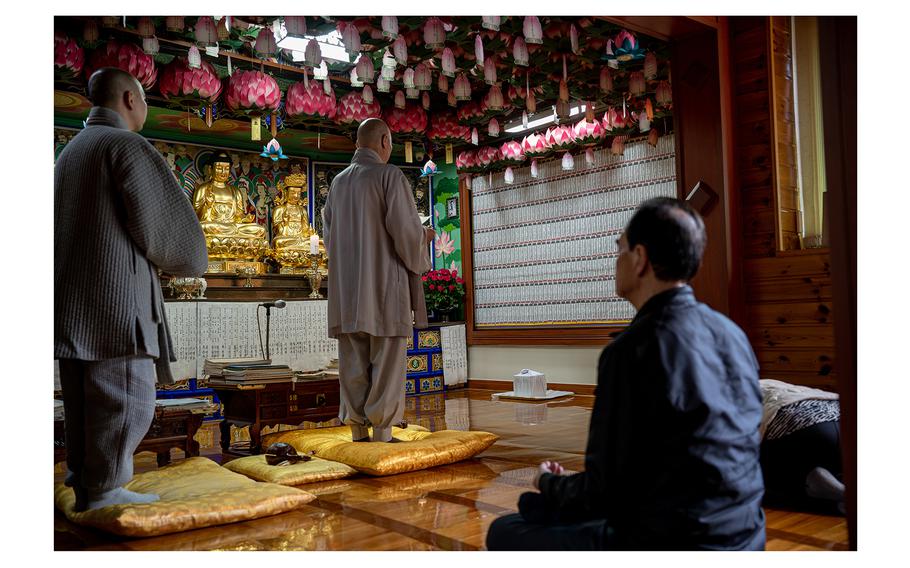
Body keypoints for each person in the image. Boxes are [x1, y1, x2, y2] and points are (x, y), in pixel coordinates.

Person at [486, 197, 766, 550]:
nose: (615, 260)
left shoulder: (633, 350)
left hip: (674, 541)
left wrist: (548, 484)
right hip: (746, 534)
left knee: (507, 530)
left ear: (640, 258)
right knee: (540, 512)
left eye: (619, 248)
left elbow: (606, 492)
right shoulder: (731, 334)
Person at [54, 67, 209, 511]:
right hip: (113, 298)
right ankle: (105, 488)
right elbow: (170, 235)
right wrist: (188, 259)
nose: (144, 109)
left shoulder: (72, 150)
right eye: (143, 99)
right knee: (124, 397)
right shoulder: (125, 145)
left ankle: (87, 482)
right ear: (127, 98)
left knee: (85, 401)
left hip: (72, 299)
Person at [322, 118, 434, 443]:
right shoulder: (389, 175)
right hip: (384, 284)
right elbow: (405, 232)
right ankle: (382, 432)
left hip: (346, 289)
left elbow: (329, 240)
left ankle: (357, 430)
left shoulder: (338, 183)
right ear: (385, 141)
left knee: (353, 363)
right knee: (386, 359)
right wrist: (422, 238)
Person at [759, 379, 844, 514]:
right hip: (844, 415)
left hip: (806, 427)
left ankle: (810, 477)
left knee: (754, 461)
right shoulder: (775, 383)